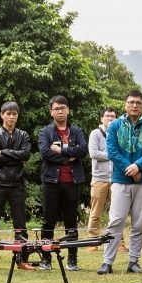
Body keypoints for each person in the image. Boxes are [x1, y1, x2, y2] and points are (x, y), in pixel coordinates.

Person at [98, 90, 142, 275]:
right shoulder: (115, 126)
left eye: (138, 103)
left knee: (139, 223)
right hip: (120, 180)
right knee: (115, 220)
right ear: (125, 104)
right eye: (131, 102)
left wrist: (138, 167)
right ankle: (107, 262)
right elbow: (112, 152)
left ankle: (134, 261)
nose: (134, 105)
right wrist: (131, 169)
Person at [0, 101, 35, 271]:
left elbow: (26, 154)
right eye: (8, 113)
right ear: (2, 115)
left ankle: (22, 259)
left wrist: (4, 151)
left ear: (17, 116)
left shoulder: (23, 135)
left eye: (14, 114)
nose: (11, 117)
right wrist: (14, 156)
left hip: (17, 183)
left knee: (20, 223)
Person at [38, 95, 88, 271]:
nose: (60, 111)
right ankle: (46, 258)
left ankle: (72, 260)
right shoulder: (45, 132)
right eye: (56, 108)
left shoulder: (76, 131)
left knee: (71, 222)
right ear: (51, 111)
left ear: (68, 110)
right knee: (48, 221)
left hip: (72, 181)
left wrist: (61, 150)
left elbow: (83, 150)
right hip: (51, 182)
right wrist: (69, 156)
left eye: (63, 108)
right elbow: (45, 153)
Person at [87, 107, 121, 252]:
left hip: (117, 178)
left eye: (113, 116)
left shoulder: (120, 134)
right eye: (107, 116)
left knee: (118, 213)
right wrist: (113, 154)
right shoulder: (95, 134)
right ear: (101, 118)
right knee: (96, 212)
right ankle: (92, 241)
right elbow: (94, 153)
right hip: (99, 178)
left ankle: (118, 242)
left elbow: (124, 152)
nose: (110, 119)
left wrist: (111, 154)